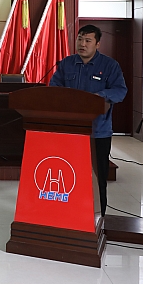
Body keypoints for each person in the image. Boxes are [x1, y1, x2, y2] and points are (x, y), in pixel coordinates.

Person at [49, 24, 127, 217]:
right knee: (69, 173)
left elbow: (120, 91)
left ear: (97, 44)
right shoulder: (67, 63)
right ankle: (69, 213)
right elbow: (54, 87)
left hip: (98, 132)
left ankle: (99, 216)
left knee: (98, 176)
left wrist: (100, 96)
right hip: (70, 130)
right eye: (80, 39)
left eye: (88, 40)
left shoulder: (109, 66)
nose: (82, 44)